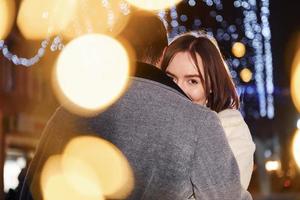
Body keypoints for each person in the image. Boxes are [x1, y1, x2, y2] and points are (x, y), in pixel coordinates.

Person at [20, 11, 252, 200]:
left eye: (192, 80)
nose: (181, 87)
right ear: (163, 56)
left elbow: (32, 191)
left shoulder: (71, 111)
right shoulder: (199, 123)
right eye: (173, 77)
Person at [160, 32, 256, 189]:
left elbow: (227, 193)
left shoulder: (231, 129)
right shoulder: (151, 120)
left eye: (192, 81)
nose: (179, 90)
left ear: (211, 85)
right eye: (171, 79)